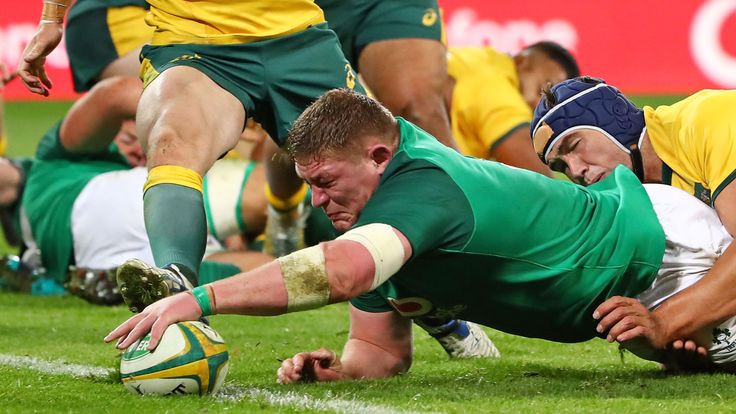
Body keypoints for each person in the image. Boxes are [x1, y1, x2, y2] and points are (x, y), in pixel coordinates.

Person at [106, 89, 736, 379]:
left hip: (666, 247)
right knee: (686, 359)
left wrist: (198, 297)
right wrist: (338, 371)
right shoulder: (377, 228)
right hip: (630, 286)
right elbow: (382, 353)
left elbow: (344, 271)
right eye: (310, 190)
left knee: (693, 345)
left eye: (327, 183)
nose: (320, 203)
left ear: (380, 157)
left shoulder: (425, 187)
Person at [0, 76, 271, 303]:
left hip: (118, 264)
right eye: (131, 138)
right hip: (116, 212)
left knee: (272, 269)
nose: (138, 149)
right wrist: (199, 115)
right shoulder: (57, 158)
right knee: (265, 201)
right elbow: (116, 94)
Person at [530, 77, 736, 355]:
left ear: (612, 125)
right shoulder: (648, 203)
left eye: (574, 145)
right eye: (560, 166)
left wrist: (665, 324)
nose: (575, 171)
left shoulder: (711, 121)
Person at [317, 0, 456, 149]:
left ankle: (450, 171)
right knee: (310, 140)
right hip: (298, 11)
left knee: (418, 110)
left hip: (386, 4)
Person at [446, 42, 579, 174]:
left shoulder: (481, 59)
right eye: (542, 89)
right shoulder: (495, 85)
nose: (539, 106)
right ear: (521, 61)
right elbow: (539, 183)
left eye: (549, 106)